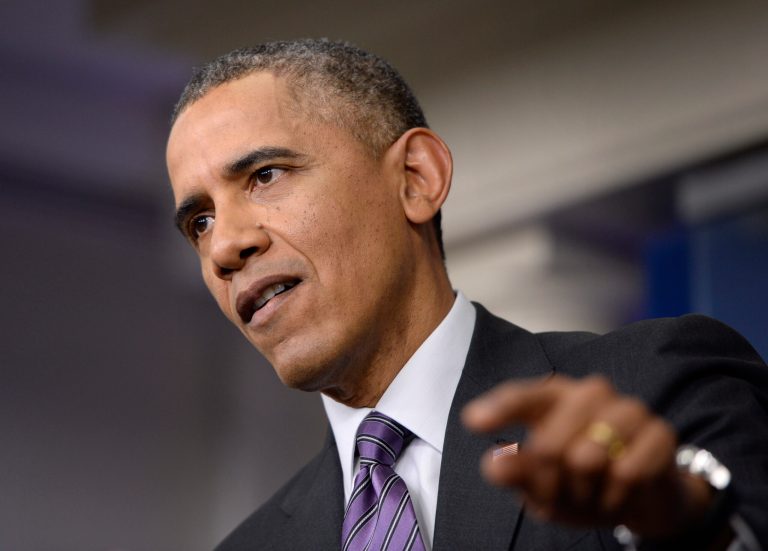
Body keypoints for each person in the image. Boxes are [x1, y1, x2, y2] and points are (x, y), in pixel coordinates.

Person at [165, 39, 767, 550]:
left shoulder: (656, 385)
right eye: (200, 222)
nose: (223, 248)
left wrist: (686, 523)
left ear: (416, 179)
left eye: (265, 176)